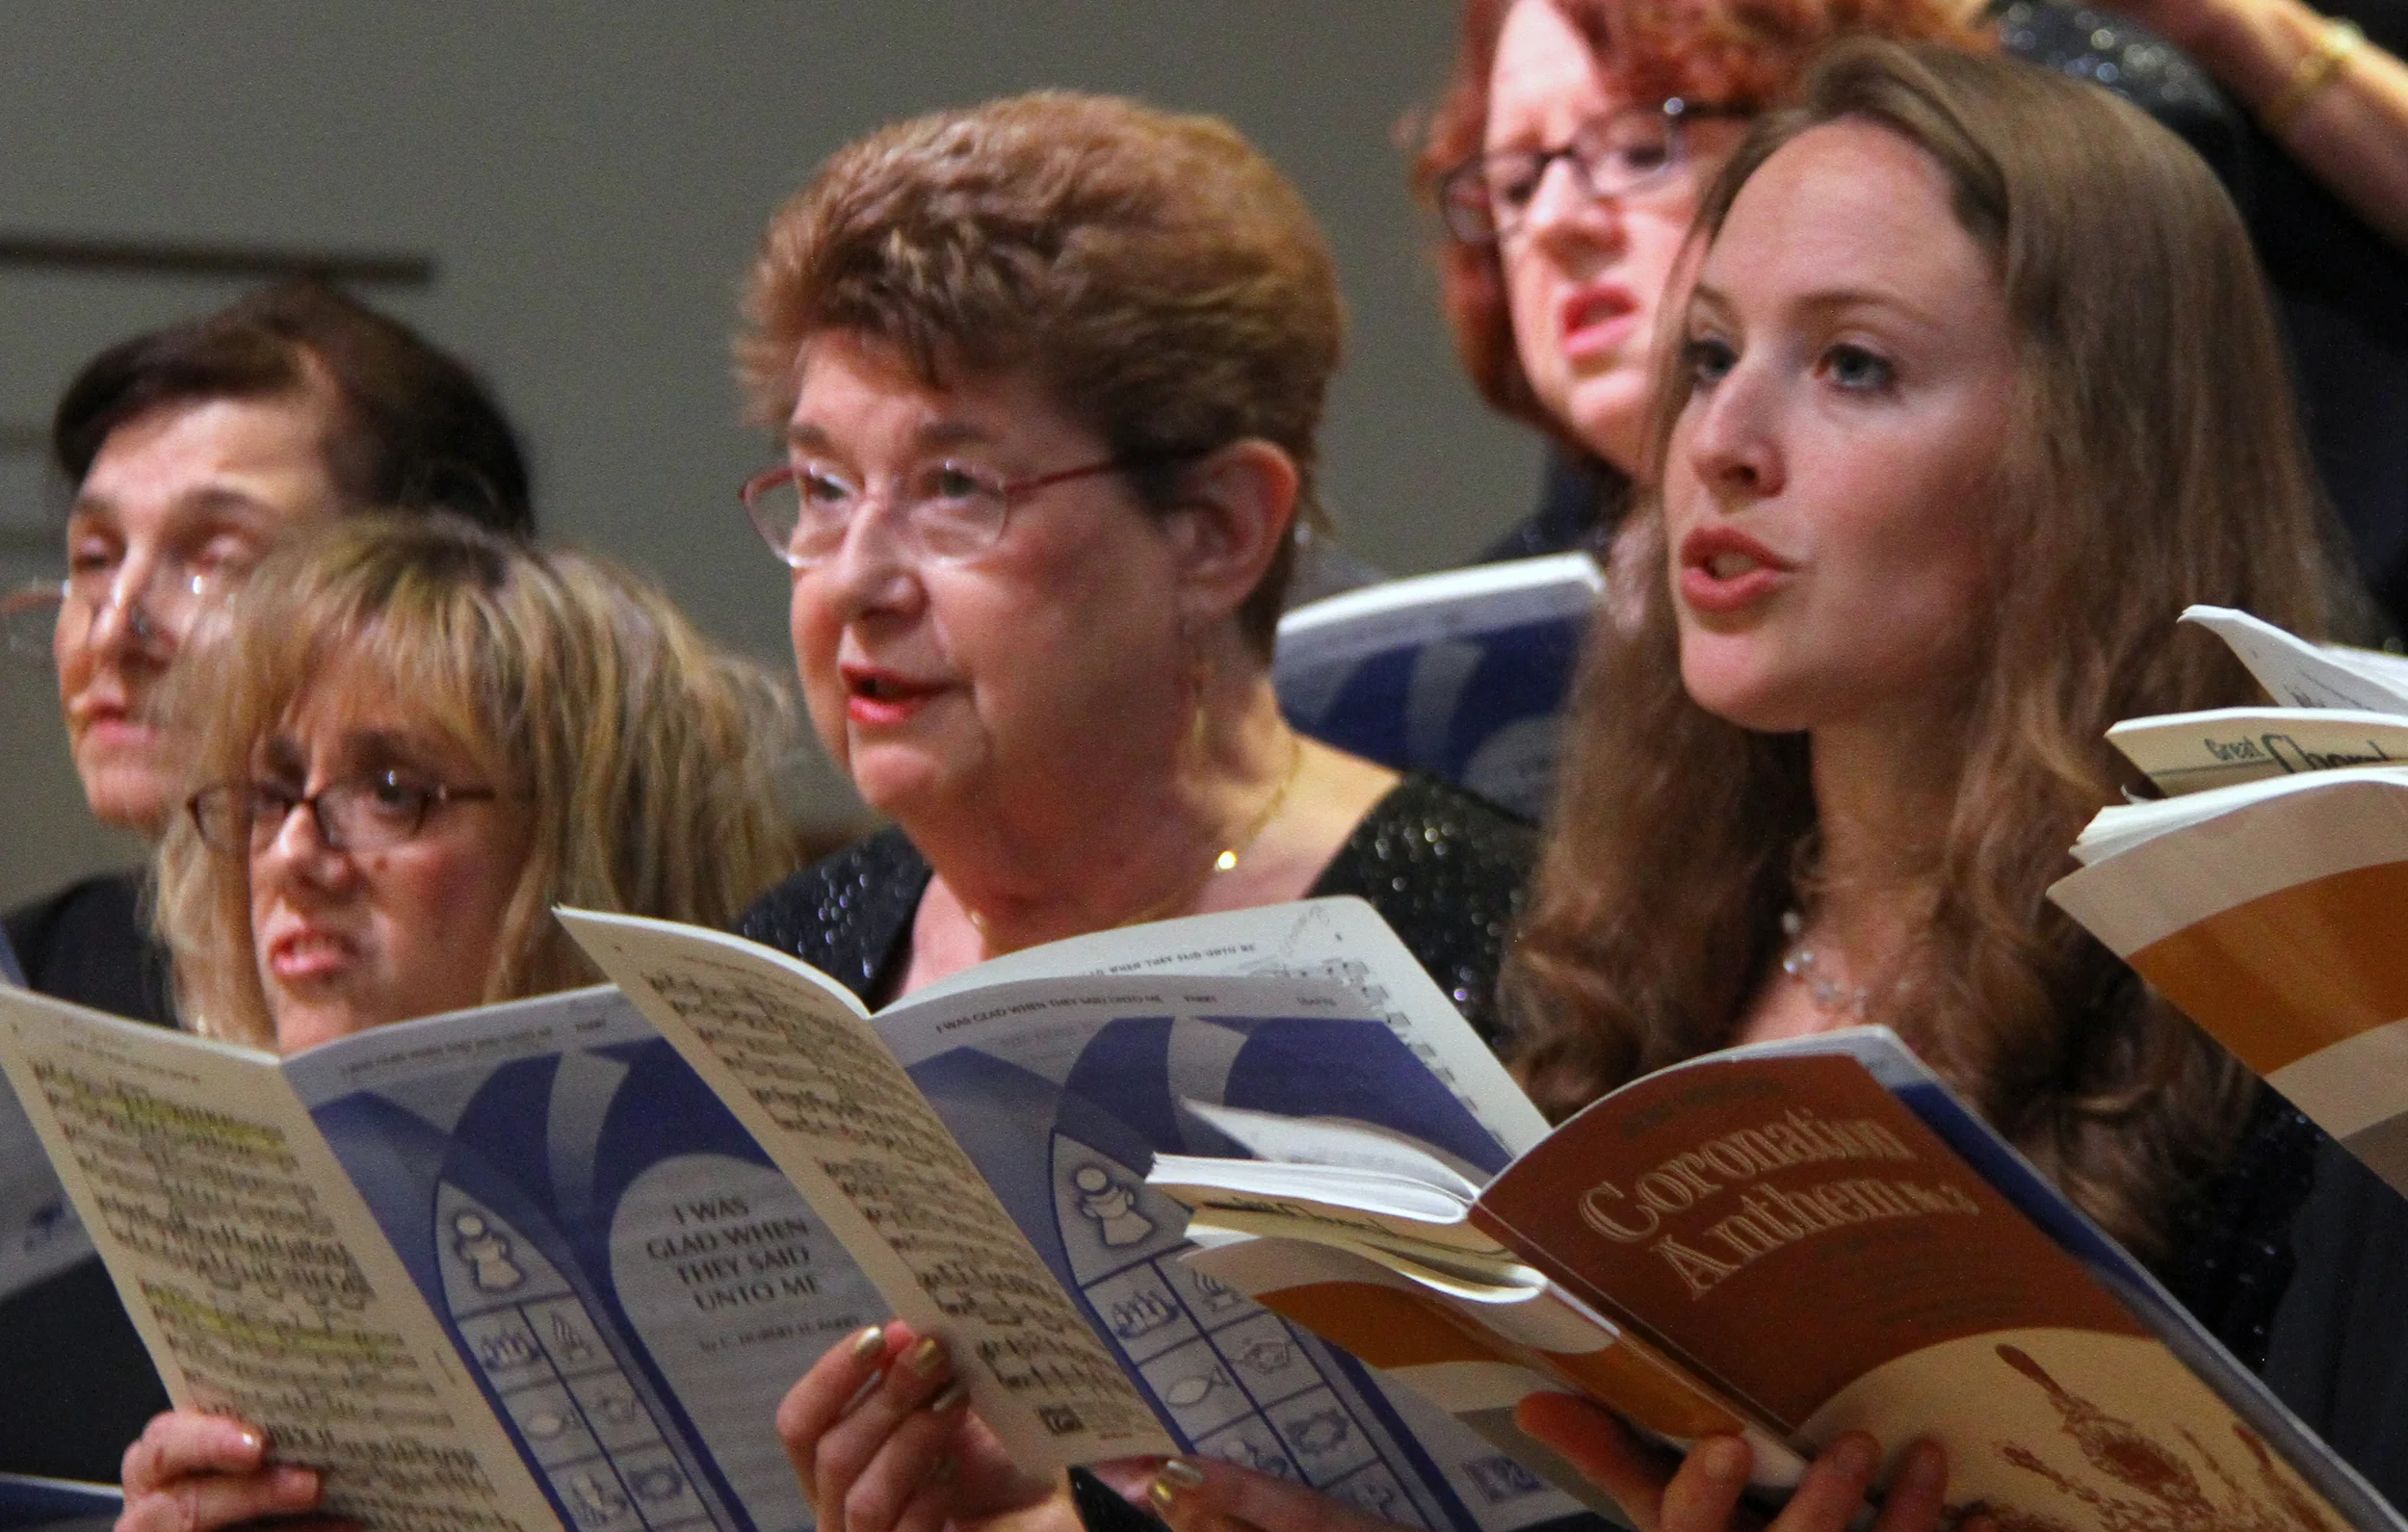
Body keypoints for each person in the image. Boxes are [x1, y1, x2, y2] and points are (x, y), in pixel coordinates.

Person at [726, 91, 1538, 1532]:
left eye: (954, 487)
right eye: (823, 485)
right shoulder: (785, 965)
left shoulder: (1507, 952)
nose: (855, 576)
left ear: (1220, 530)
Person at [111, 511, 798, 1532]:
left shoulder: (758, 1212)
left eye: (393, 792)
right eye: (270, 790)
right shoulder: (236, 1236)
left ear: (583, 847)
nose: (293, 853)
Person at [0, 277, 534, 1482]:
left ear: (421, 585)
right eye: (92, 556)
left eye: (212, 556)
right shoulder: (21, 989)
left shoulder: (545, 1024)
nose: (116, 622)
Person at [1410, 0, 1980, 565]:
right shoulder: (1475, 643)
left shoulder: (2000, 547)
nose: (1551, 221)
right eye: (1516, 186)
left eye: (1637, 152)